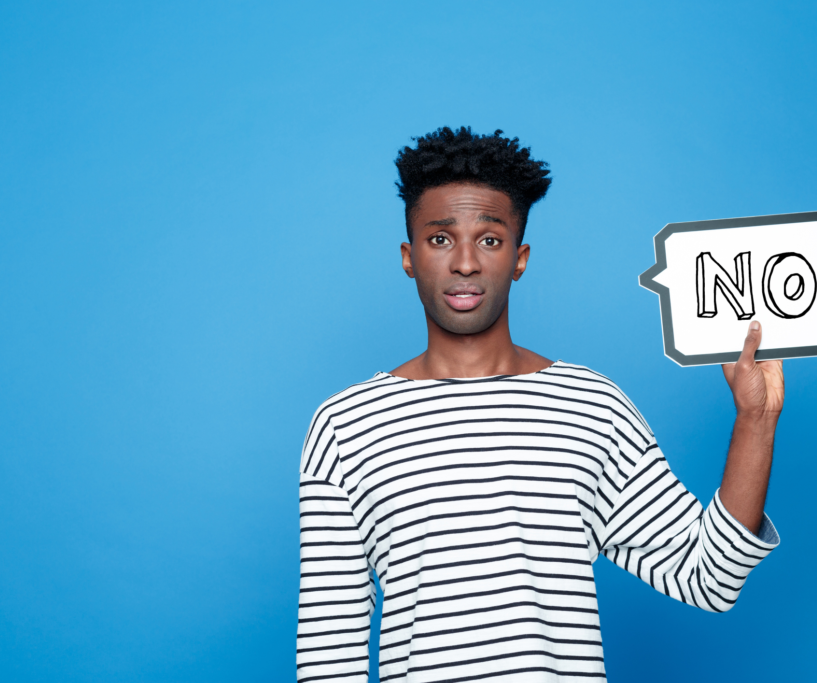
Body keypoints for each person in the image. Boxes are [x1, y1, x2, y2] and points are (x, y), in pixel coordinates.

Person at [296, 127, 783, 683]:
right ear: (409, 257)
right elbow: (328, 648)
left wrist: (756, 419)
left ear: (519, 257)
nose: (464, 263)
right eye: (439, 239)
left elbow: (709, 577)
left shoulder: (591, 408)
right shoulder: (346, 425)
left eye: (489, 239)